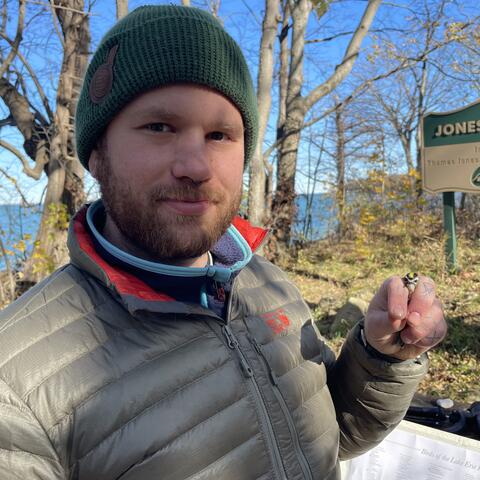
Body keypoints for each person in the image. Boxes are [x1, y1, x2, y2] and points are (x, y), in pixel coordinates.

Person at [0, 5, 446, 480]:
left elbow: (327, 439)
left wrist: (380, 357)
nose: (195, 165)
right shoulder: (17, 387)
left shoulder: (266, 283)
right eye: (159, 127)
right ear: (96, 152)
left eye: (219, 135)